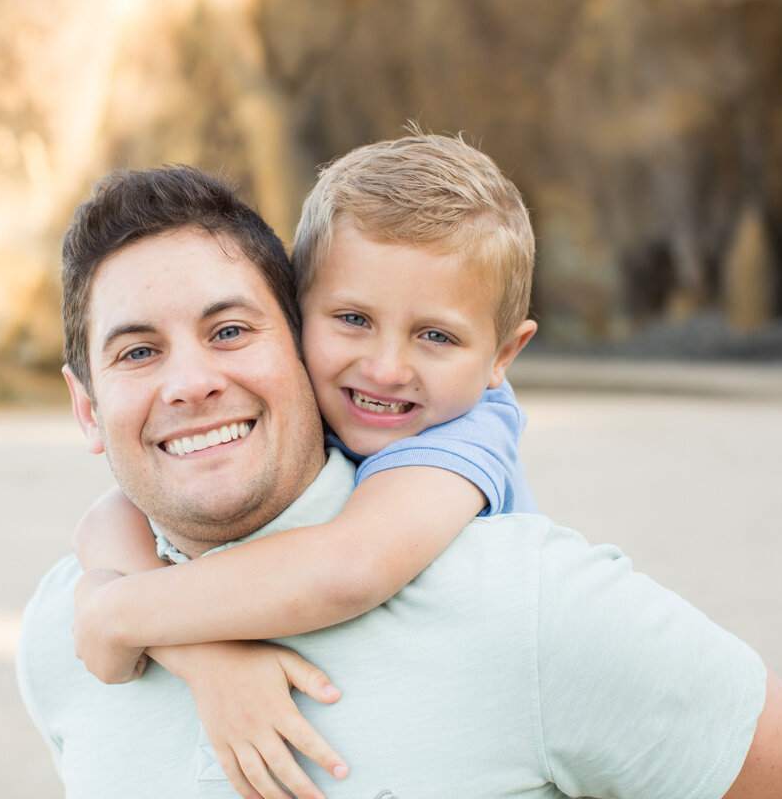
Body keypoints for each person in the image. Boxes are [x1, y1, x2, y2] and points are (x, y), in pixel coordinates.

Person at [16, 164, 782, 799]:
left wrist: (126, 613)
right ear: (86, 409)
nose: (191, 382)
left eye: (230, 330)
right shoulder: (62, 635)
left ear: (293, 346)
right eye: (137, 352)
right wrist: (182, 642)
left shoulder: (525, 596)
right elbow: (104, 533)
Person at [69, 131, 540, 797]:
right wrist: (205, 658)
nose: (384, 367)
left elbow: (351, 569)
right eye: (351, 318)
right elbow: (108, 514)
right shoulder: (331, 399)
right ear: (297, 315)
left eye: (435, 335)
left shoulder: (465, 431)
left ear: (502, 356)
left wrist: (120, 613)